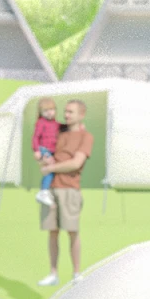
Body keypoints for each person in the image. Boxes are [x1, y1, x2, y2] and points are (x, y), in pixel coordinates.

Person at [38, 98, 92, 288]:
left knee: (72, 232)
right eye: (66, 111)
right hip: (50, 189)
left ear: (81, 115)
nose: (66, 115)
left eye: (71, 112)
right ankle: (53, 273)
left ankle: (76, 272)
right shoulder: (58, 133)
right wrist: (45, 162)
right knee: (52, 232)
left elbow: (76, 163)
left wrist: (52, 167)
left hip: (69, 189)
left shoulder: (86, 137)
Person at [32, 96, 59, 195]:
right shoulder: (41, 122)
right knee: (50, 170)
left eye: (51, 109)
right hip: (44, 149)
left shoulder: (55, 123)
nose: (49, 112)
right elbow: (35, 137)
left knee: (53, 171)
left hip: (53, 150)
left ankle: (47, 190)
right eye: (45, 110)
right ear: (41, 112)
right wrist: (37, 150)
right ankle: (44, 191)